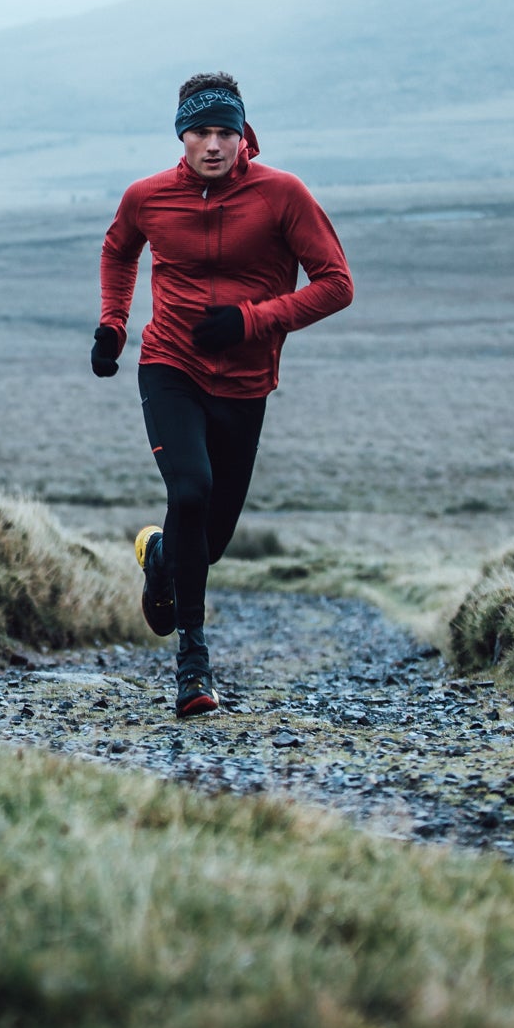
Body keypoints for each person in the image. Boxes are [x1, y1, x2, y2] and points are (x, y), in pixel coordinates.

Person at [92, 73, 354, 717]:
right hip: (169, 364)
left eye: (225, 132)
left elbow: (336, 283)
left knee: (207, 541)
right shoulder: (147, 196)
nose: (213, 145)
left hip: (244, 381)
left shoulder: (282, 195)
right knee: (190, 491)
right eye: (201, 132)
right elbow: (119, 250)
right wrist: (114, 323)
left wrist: (252, 320)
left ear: (244, 135)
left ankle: (161, 555)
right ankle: (194, 665)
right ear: (181, 134)